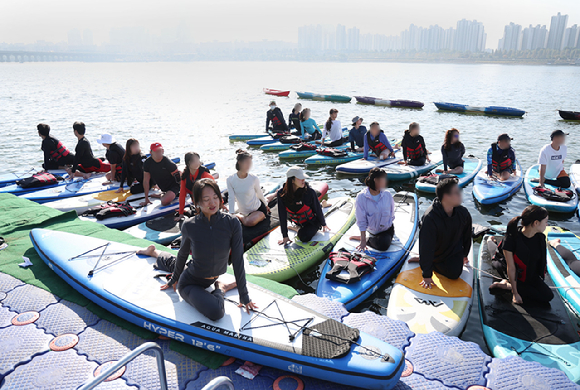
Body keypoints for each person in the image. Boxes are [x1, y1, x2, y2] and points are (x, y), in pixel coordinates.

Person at [137, 179, 257, 321]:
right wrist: (174, 279)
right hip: (189, 282)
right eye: (206, 199)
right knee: (216, 312)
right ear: (197, 202)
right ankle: (221, 288)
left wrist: (244, 295)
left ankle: (153, 252)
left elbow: (237, 260)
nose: (212, 203)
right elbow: (182, 254)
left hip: (205, 273)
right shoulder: (190, 225)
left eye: (215, 197)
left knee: (176, 263)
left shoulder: (232, 223)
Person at [409, 177, 472, 289]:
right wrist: (427, 275)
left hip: (453, 251)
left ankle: (424, 260)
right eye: (456, 193)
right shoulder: (430, 217)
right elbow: (426, 246)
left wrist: (464, 255)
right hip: (436, 253)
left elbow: (467, 235)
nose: (460, 195)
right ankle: (426, 261)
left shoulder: (463, 213)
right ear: (446, 197)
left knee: (455, 273)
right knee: (451, 272)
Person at [489, 205, 553, 305]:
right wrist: (515, 293)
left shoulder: (540, 238)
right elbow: (511, 268)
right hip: (505, 265)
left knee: (548, 296)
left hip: (527, 273)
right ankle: (490, 242)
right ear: (536, 223)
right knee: (496, 254)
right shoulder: (511, 239)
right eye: (545, 222)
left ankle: (508, 286)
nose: (547, 224)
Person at [278, 166, 329, 245]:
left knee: (303, 237)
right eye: (300, 178)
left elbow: (317, 209)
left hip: (312, 222)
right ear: (292, 180)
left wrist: (323, 224)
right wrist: (285, 236)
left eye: (304, 178)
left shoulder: (309, 192)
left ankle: (324, 204)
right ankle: (297, 227)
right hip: (297, 220)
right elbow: (282, 215)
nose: (303, 180)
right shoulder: (281, 194)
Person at [354, 168, 395, 251]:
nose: (386, 182)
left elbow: (391, 213)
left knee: (384, 245)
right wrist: (363, 240)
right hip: (372, 230)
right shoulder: (361, 197)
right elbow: (361, 220)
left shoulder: (388, 195)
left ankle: (371, 240)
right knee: (382, 244)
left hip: (386, 230)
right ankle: (367, 239)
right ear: (376, 180)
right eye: (384, 179)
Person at [226, 150, 270, 227]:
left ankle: (238, 216)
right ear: (239, 162)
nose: (248, 166)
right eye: (246, 163)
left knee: (249, 222)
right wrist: (231, 213)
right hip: (244, 211)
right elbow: (231, 198)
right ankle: (240, 215)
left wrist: (266, 206)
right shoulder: (230, 179)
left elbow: (259, 193)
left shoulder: (253, 178)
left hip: (257, 209)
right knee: (265, 200)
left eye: (250, 163)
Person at [177, 152, 215, 219]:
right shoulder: (185, 177)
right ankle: (187, 210)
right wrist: (181, 213)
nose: (197, 163)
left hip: (209, 203)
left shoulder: (205, 175)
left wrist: (221, 204)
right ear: (188, 163)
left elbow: (215, 190)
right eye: (194, 161)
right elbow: (182, 195)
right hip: (198, 205)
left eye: (198, 160)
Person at [141, 143, 180, 207]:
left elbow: (179, 178)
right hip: (163, 187)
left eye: (160, 151)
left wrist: (185, 192)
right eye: (156, 151)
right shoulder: (147, 163)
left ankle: (162, 196)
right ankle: (164, 194)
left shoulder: (168, 163)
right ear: (151, 152)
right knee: (165, 198)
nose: (159, 153)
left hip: (174, 186)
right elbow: (146, 181)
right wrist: (146, 199)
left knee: (164, 202)